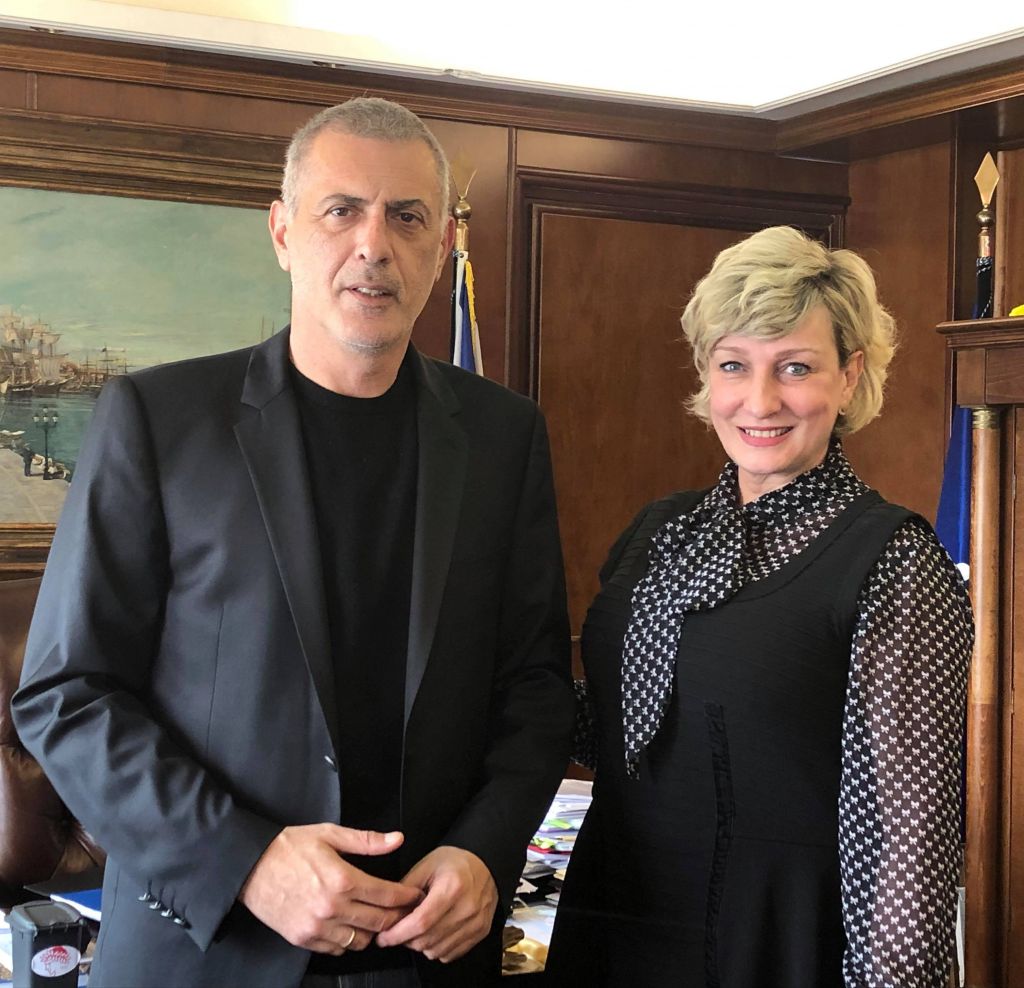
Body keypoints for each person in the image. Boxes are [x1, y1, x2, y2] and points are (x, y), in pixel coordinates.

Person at [13, 97, 574, 988]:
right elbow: (66, 693)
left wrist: (486, 849)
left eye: (406, 217)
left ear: (441, 247)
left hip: (424, 946)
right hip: (210, 951)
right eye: (341, 210)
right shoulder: (158, 420)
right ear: (282, 232)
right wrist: (244, 861)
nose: (373, 244)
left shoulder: (505, 436)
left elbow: (535, 685)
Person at [545, 226, 972, 987]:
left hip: (772, 943)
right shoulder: (658, 532)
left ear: (850, 375)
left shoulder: (896, 562)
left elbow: (908, 850)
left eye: (795, 367)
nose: (760, 401)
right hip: (613, 926)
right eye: (734, 365)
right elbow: (616, 728)